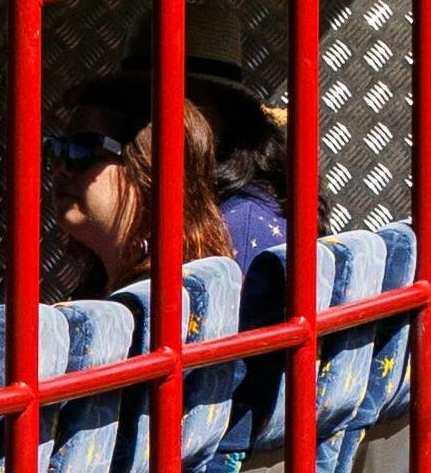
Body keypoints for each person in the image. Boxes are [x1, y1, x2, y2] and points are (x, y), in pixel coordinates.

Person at [43, 56, 293, 299]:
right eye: (55, 150)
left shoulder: (240, 234)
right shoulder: (100, 277)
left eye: (82, 149)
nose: (60, 169)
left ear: (147, 163)